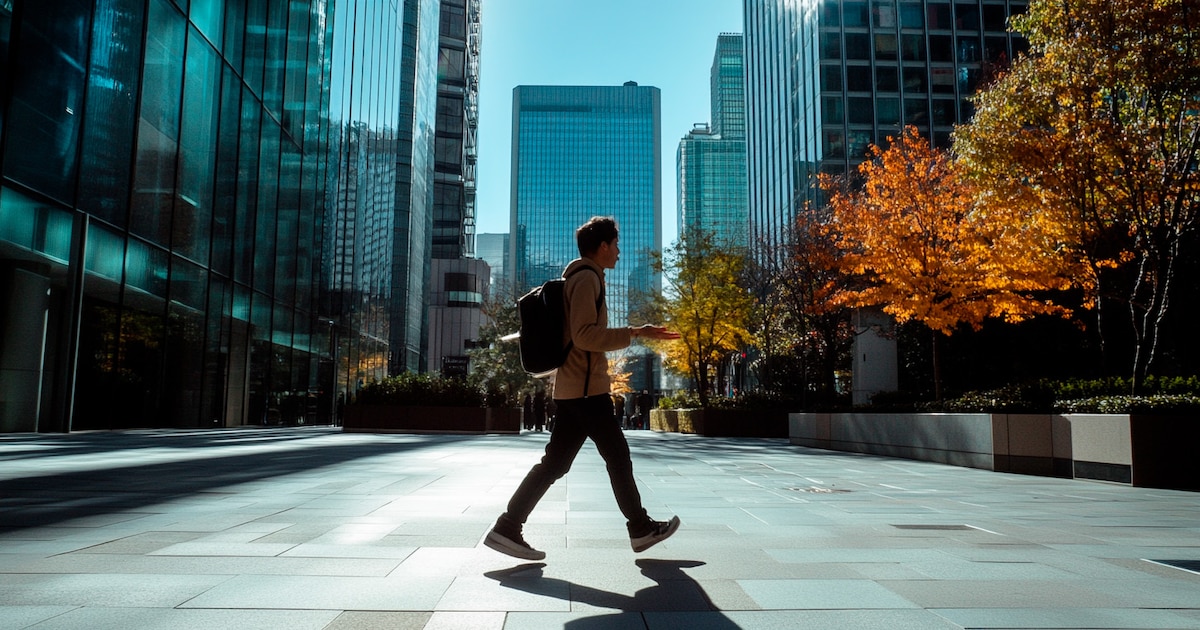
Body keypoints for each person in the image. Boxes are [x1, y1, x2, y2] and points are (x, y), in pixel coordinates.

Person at [484, 216, 682, 561]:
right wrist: (637, 331)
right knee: (617, 457)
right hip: (587, 391)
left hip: (575, 388)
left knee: (556, 464)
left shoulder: (580, 277)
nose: (619, 252)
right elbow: (585, 336)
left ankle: (507, 527)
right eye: (616, 245)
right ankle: (640, 528)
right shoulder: (587, 279)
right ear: (602, 246)